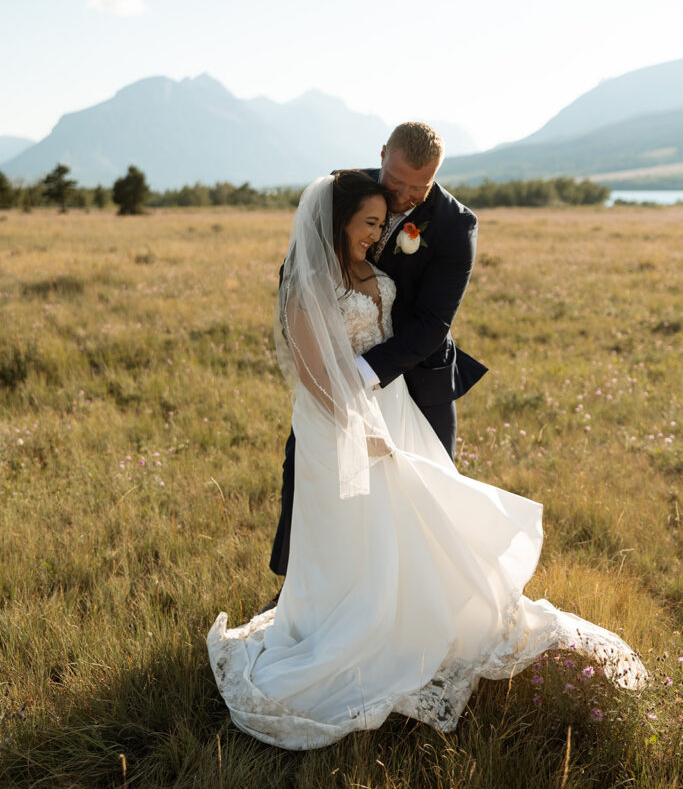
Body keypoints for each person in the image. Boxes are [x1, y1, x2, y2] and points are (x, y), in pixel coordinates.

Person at [207, 170, 646, 750]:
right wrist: (357, 429)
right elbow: (314, 373)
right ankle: (351, 625)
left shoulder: (392, 254)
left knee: (411, 518)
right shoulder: (306, 281)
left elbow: (422, 322)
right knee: (350, 528)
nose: (380, 231)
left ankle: (415, 615)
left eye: (382, 224)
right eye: (368, 223)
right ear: (338, 222)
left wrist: (379, 416)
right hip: (339, 420)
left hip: (394, 404)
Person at [268, 123, 488, 582]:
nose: (405, 196)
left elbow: (433, 324)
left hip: (418, 374)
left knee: (426, 490)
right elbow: (300, 272)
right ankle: (300, 589)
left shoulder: (454, 225)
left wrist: (360, 374)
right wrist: (328, 374)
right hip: (335, 369)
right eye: (396, 181)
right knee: (310, 474)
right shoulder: (344, 191)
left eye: (419, 187)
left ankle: (425, 596)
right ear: (383, 153)